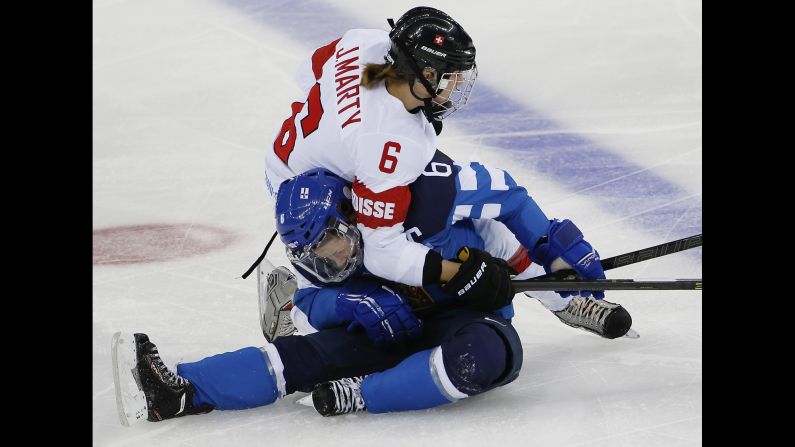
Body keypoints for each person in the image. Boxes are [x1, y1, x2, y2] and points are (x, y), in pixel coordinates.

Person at [262, 6, 520, 313]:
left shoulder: (362, 43)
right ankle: (293, 308)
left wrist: (338, 128)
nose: (454, 87)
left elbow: (309, 73)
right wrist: (450, 273)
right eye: (449, 76)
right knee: (353, 280)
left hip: (294, 159)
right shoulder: (386, 139)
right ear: (425, 73)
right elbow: (383, 249)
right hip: (304, 188)